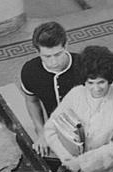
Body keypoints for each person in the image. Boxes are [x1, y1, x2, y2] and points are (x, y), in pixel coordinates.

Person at [20, 21, 83, 153]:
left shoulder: (85, 66)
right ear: (37, 51)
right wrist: (41, 131)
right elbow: (31, 101)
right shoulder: (29, 71)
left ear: (66, 45)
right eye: (47, 56)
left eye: (58, 54)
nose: (53, 62)